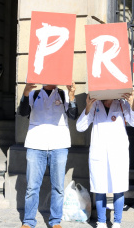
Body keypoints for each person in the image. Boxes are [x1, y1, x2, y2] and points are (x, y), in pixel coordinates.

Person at [76, 92, 134, 228]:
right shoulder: (95, 104)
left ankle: (117, 222)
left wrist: (132, 104)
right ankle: (101, 221)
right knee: (100, 187)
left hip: (118, 153)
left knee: (118, 187)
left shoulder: (122, 104)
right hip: (99, 152)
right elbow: (80, 127)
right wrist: (88, 107)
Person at [18, 83, 78, 228]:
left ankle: (55, 221)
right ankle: (28, 221)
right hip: (35, 144)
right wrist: (26, 92)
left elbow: (73, 115)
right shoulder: (33, 93)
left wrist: (72, 96)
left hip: (59, 144)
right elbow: (23, 112)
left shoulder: (63, 93)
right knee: (32, 186)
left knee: (57, 186)